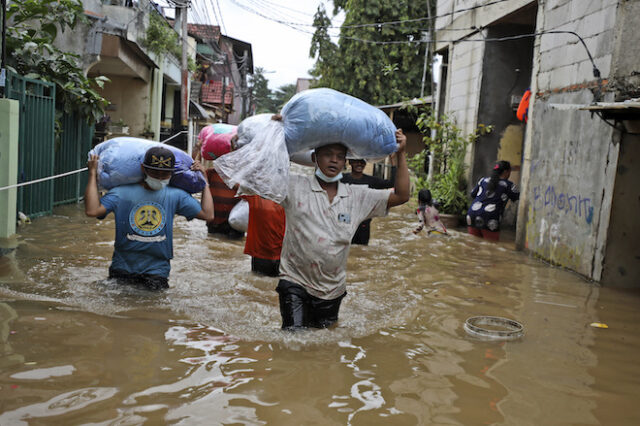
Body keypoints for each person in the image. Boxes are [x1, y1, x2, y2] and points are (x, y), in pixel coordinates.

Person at [276, 129, 410, 330]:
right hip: (294, 282)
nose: (334, 160)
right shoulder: (294, 185)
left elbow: (402, 195)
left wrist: (400, 153)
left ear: (345, 162)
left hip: (332, 290)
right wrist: (275, 134)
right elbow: (260, 177)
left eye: (340, 157)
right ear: (315, 158)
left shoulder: (357, 196)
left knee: (324, 347)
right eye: (328, 154)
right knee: (292, 339)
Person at [84, 146, 214, 290]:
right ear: (143, 169)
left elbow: (208, 215)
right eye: (154, 173)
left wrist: (205, 182)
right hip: (122, 267)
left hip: (157, 271)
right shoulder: (121, 193)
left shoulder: (176, 195)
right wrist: (92, 173)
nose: (159, 178)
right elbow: (92, 210)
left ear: (172, 174)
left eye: (164, 174)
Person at [341, 158, 395, 245]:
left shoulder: (372, 181)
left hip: (363, 225)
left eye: (362, 162)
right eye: (356, 161)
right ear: (350, 162)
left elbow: (391, 183)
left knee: (361, 251)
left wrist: (393, 161)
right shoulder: (341, 179)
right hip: (345, 223)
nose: (359, 164)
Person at [466, 160, 519, 241]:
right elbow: (517, 198)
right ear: (506, 172)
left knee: (473, 244)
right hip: (490, 218)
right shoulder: (509, 185)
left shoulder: (483, 180)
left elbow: (472, 194)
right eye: (510, 171)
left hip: (472, 215)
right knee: (490, 246)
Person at [242, 195, 286, 277]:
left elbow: (233, 184)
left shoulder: (254, 196)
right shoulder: (288, 198)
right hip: (282, 256)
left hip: (267, 256)